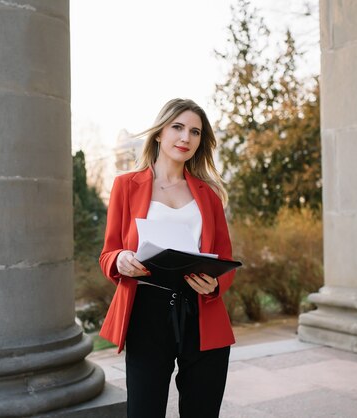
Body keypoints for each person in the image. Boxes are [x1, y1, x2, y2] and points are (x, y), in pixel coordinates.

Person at [99, 98, 236, 417]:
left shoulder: (209, 194)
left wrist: (214, 285)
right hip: (146, 313)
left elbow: (226, 258)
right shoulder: (125, 186)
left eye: (195, 132)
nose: (186, 138)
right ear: (160, 132)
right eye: (177, 127)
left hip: (202, 312)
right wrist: (119, 260)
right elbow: (108, 253)